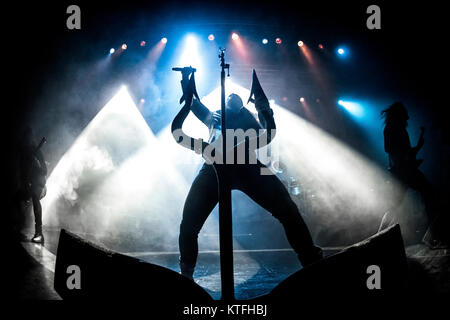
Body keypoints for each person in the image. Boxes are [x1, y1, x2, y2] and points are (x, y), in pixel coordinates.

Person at [177, 70, 322, 279]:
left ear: (243, 105)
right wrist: (186, 80)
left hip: (248, 167)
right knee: (189, 224)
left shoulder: (250, 119)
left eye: (236, 98)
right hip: (214, 167)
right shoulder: (214, 117)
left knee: (288, 211)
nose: (233, 97)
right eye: (230, 97)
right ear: (225, 103)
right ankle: (186, 273)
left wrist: (264, 110)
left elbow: (268, 128)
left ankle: (311, 259)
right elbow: (193, 103)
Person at [378, 102, 442, 247]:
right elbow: (394, 151)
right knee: (431, 196)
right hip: (405, 171)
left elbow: (398, 152)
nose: (407, 118)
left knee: (395, 205)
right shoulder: (395, 129)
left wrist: (417, 148)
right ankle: (431, 237)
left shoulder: (392, 129)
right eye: (404, 115)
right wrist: (410, 155)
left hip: (401, 171)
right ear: (399, 114)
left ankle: (378, 236)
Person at [16, 126, 47, 244]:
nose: (27, 140)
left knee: (34, 196)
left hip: (39, 185)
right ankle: (21, 223)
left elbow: (44, 171)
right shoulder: (23, 155)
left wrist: (37, 164)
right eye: (25, 137)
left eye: (29, 137)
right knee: (16, 198)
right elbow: (23, 173)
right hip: (29, 185)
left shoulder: (37, 152)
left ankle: (39, 233)